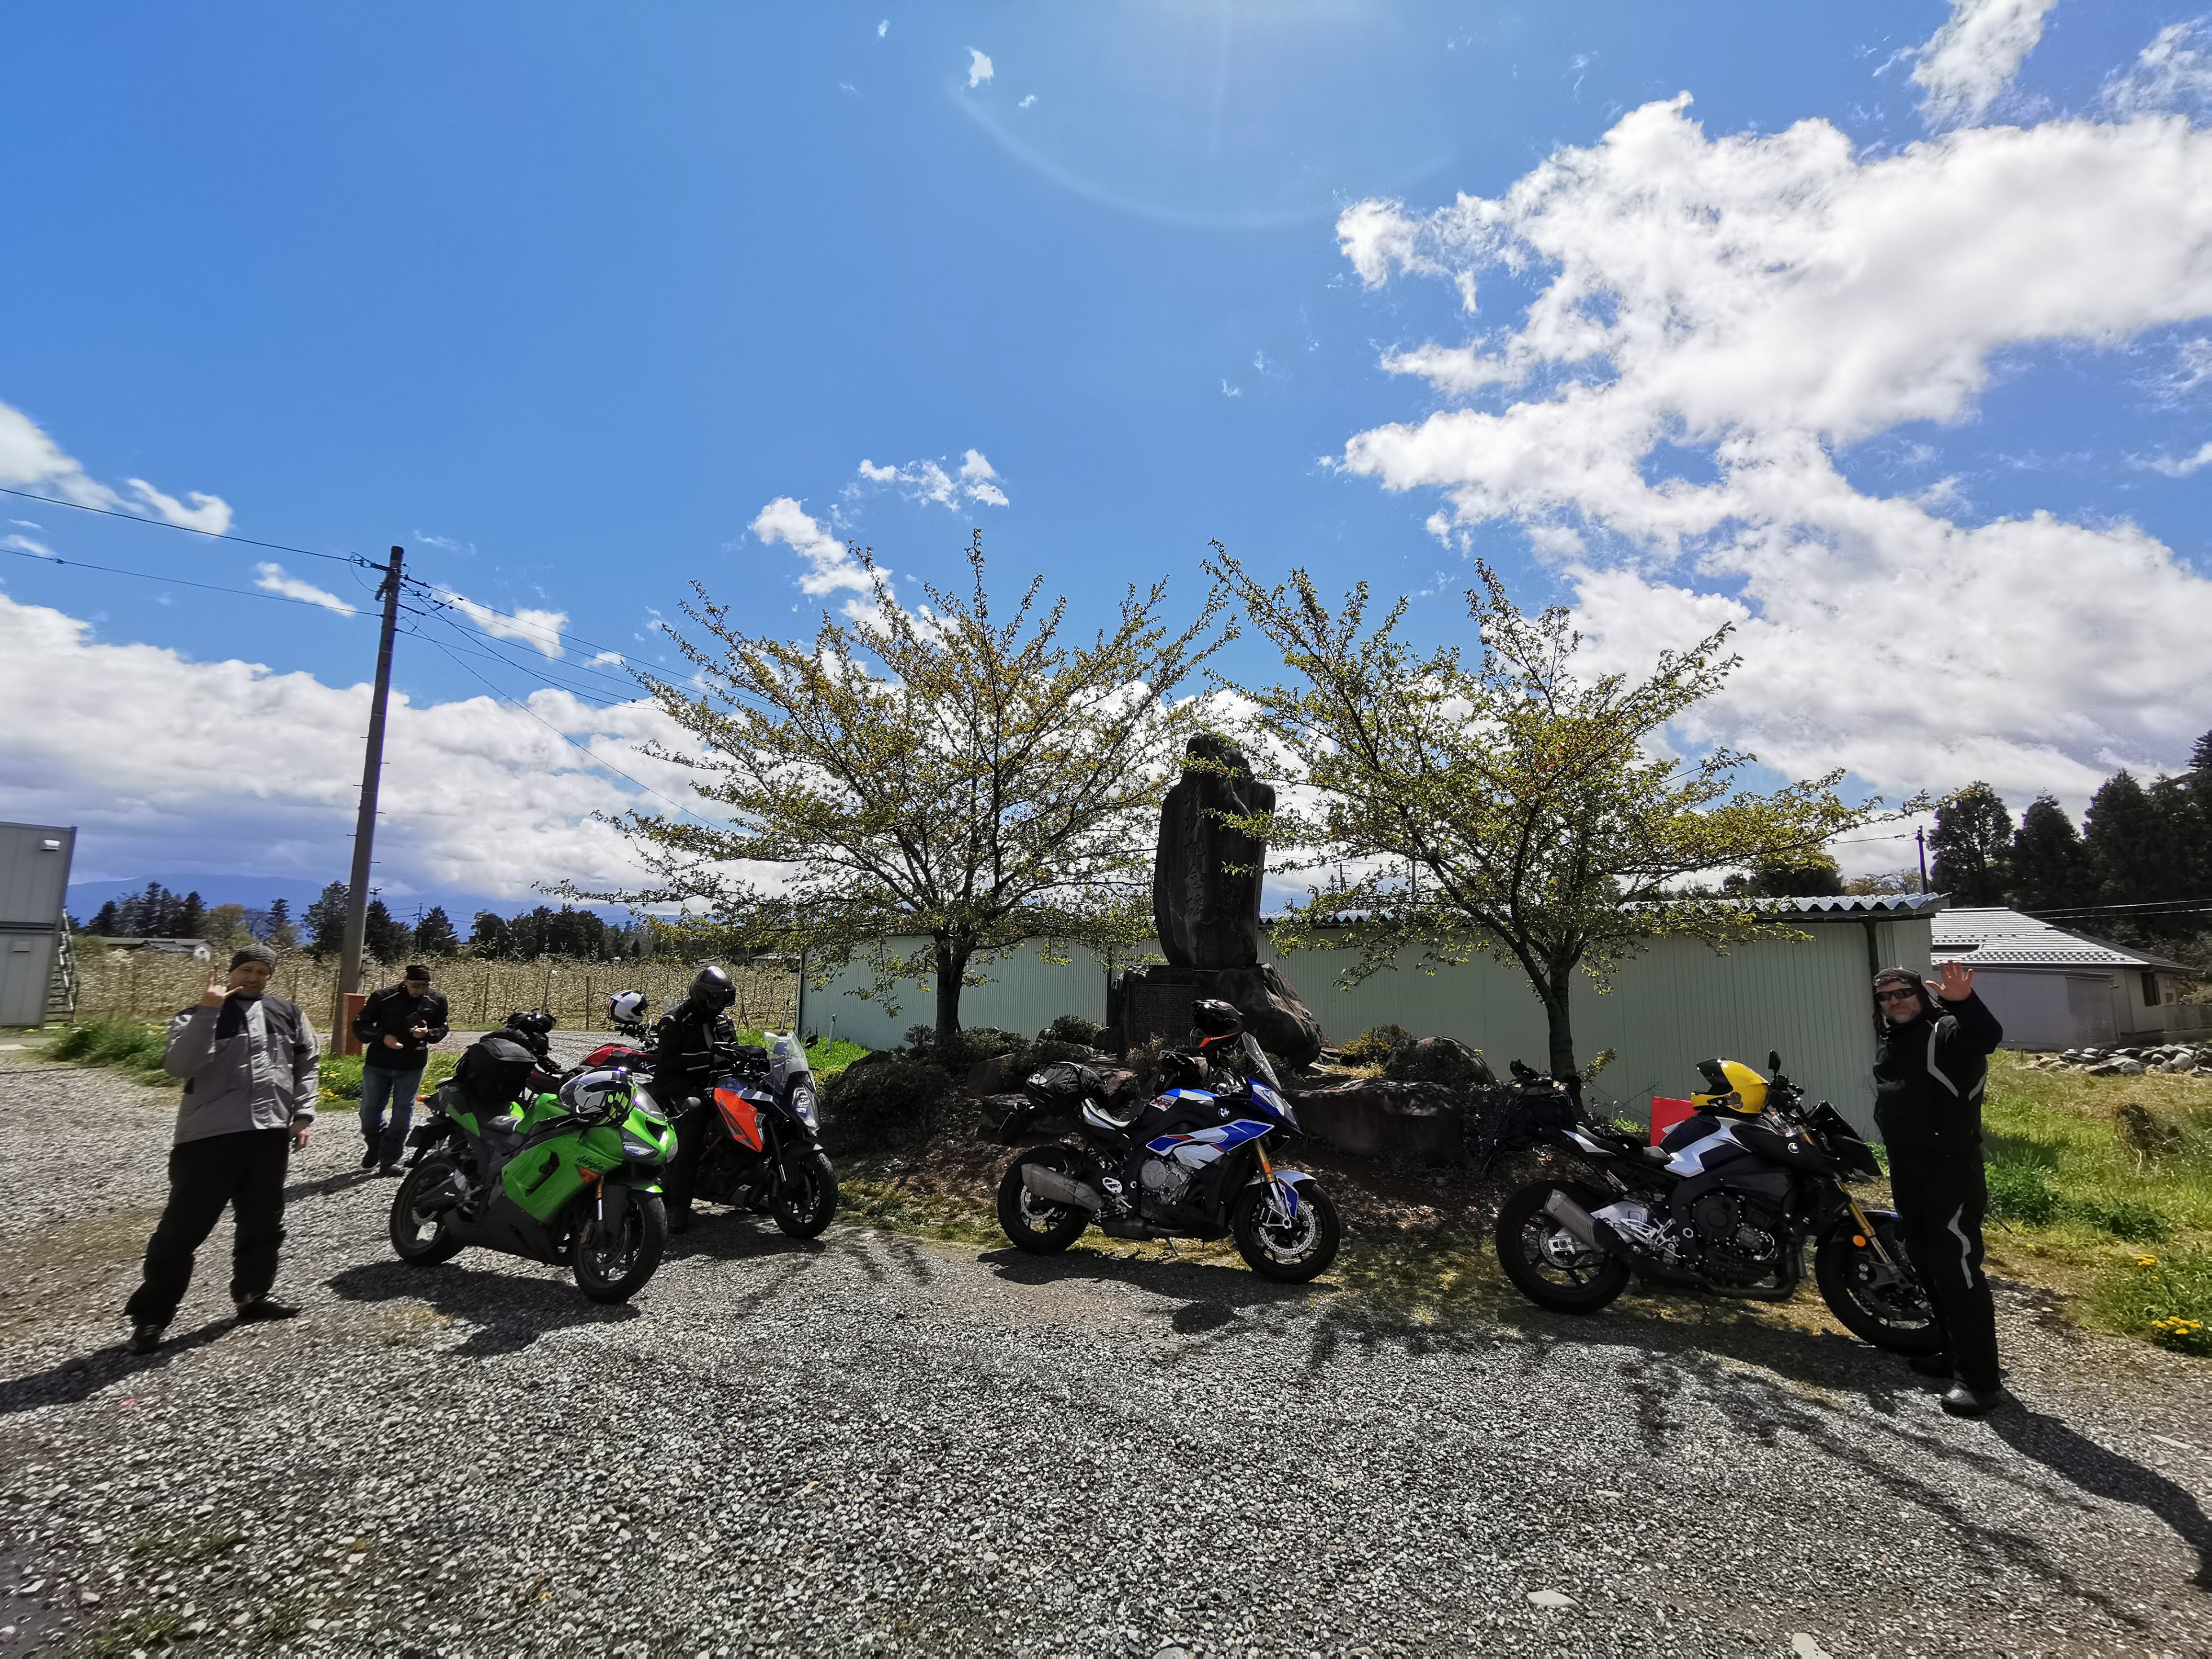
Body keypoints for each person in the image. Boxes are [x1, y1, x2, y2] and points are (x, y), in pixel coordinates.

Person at [125, 943, 319, 1354]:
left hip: (269, 1134)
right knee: (182, 1230)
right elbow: (180, 1066)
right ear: (231, 972)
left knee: (264, 1224)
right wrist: (208, 1011)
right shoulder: (196, 1014)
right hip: (209, 1137)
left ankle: (253, 1296)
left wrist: (303, 1114)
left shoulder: (288, 1013)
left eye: (262, 972)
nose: (253, 978)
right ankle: (151, 1317)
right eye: (246, 970)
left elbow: (307, 1065)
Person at [1873, 959, 2010, 1417]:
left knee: (1957, 1269)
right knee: (1926, 1262)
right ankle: (1953, 1355)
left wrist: (1964, 1002)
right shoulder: (1895, 1040)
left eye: (1903, 993)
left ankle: (1980, 1382)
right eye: (1886, 997)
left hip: (1948, 1167)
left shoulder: (1947, 1031)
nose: (1895, 1002)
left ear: (1922, 995)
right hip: (1908, 1165)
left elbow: (1985, 1037)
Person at [654, 966, 740, 1233]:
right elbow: (668, 1064)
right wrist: (708, 1059)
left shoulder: (723, 1021)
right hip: (681, 1086)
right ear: (701, 996)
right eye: (716, 998)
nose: (720, 1005)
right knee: (695, 1121)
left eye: (726, 998)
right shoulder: (674, 1021)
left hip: (717, 1083)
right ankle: (678, 1207)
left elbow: (733, 1051)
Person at [352, 964, 450, 1174]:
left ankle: (389, 1159)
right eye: (415, 986)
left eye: (424, 986)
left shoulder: (437, 1000)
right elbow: (360, 1025)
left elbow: (443, 1027)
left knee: (402, 1111)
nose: (419, 991)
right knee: (369, 1111)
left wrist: (428, 1033)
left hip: (411, 1064)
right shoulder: (383, 997)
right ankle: (376, 1144)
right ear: (405, 982)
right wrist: (383, 1037)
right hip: (379, 1062)